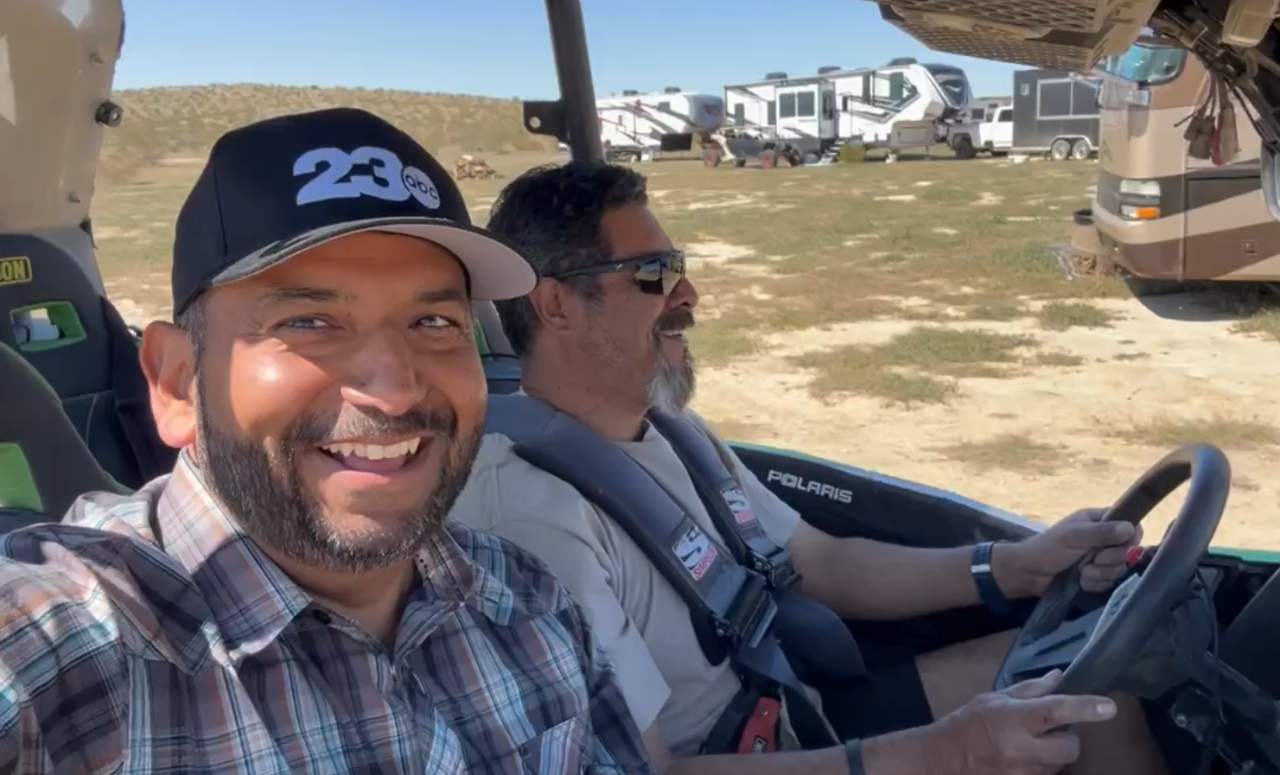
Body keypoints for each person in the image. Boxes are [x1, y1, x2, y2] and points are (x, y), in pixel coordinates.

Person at [449, 160, 1171, 775]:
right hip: (752, 753)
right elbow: (650, 767)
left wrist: (1017, 565)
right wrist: (937, 752)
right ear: (556, 305)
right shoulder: (530, 510)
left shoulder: (669, 429)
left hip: (802, 712)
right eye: (654, 273)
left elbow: (821, 561)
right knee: (1093, 707)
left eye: (680, 269)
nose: (688, 294)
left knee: (1099, 684)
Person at [0, 110, 654, 775]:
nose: (395, 390)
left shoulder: (530, 601)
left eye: (433, 320)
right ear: (176, 384)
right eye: (308, 320)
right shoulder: (67, 657)